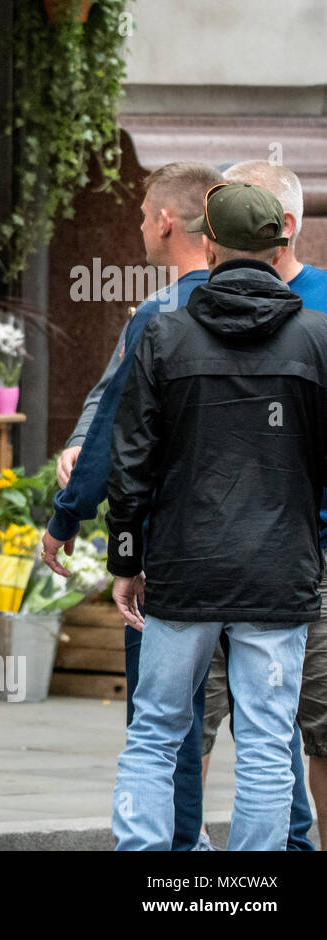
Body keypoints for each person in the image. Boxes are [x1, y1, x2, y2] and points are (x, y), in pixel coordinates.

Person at [43, 162, 319, 849]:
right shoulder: (315, 338)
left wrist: (126, 558)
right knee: (265, 738)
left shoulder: (165, 334)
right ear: (275, 246)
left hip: (182, 570)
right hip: (278, 572)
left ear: (214, 245)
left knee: (156, 730)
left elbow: (131, 461)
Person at [43, 163, 219, 850]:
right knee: (271, 732)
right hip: (270, 559)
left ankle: (173, 854)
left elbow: (117, 434)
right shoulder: (294, 317)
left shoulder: (160, 314)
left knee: (160, 720)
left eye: (145, 214)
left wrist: (67, 519)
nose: (142, 225)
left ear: (167, 222)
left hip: (172, 555)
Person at [192, 159, 327, 849]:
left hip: (303, 557)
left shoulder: (323, 311)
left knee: (314, 727)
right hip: (241, 559)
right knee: (209, 723)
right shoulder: (183, 313)